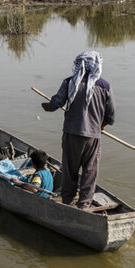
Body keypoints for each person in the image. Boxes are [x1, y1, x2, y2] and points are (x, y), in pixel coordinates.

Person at [41, 50, 114, 209]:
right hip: (93, 137)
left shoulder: (70, 83)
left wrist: (47, 106)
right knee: (90, 172)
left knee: (69, 170)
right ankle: (84, 205)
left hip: (72, 135)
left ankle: (67, 201)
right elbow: (110, 115)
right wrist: (101, 126)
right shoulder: (105, 86)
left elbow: (55, 104)